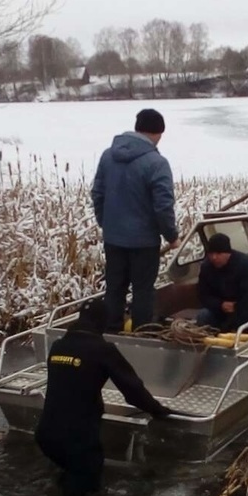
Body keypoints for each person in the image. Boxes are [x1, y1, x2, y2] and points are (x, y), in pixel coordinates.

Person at [35, 298, 171, 496]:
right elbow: (133, 391)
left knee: (66, 484)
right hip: (78, 442)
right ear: (102, 322)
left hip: (46, 436)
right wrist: (158, 410)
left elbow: (71, 382)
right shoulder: (103, 350)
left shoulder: (57, 347)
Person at [91, 108, 180, 331]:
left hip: (113, 239)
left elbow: (98, 194)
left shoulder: (107, 155)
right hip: (144, 242)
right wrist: (172, 236)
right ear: (158, 133)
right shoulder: (157, 163)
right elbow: (163, 206)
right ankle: (141, 336)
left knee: (115, 288)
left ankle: (111, 333)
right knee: (143, 290)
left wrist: (107, 225)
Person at [195, 233, 248, 332]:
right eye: (211, 254)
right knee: (203, 316)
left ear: (228, 253)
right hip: (222, 309)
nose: (214, 258)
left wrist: (234, 321)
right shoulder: (206, 268)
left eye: (218, 253)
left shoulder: (246, 265)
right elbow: (203, 295)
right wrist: (220, 305)